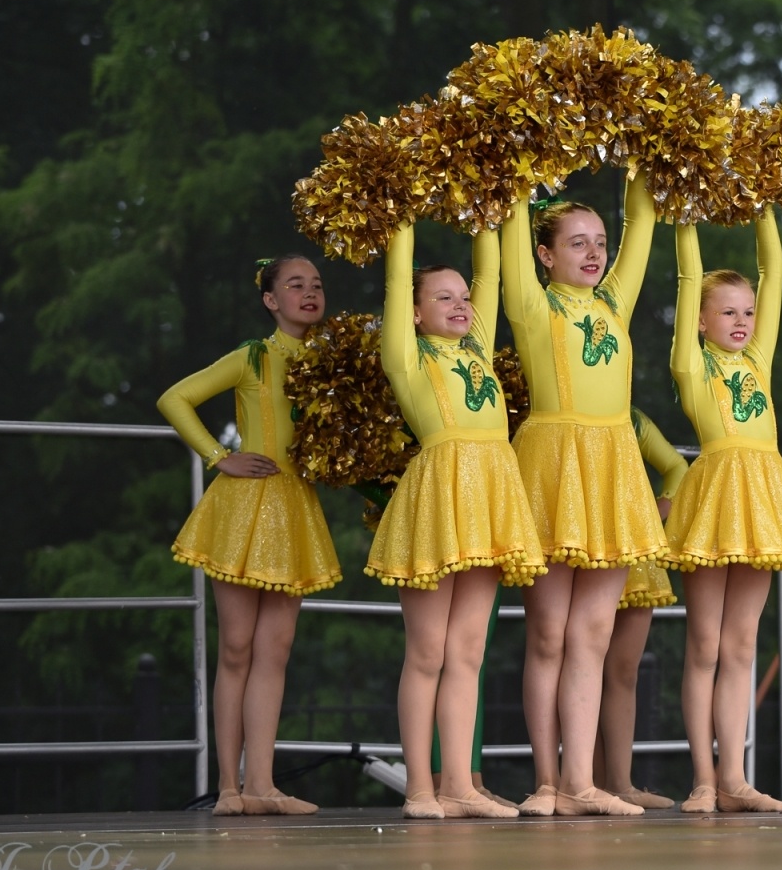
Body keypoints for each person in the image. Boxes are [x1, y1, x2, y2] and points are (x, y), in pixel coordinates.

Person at [366, 222, 545, 819]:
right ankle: (419, 787)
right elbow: (397, 277)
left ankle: (459, 786)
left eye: (462, 296)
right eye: (443, 297)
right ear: (413, 314)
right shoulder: (408, 360)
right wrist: (402, 216)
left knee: (468, 651)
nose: (461, 304)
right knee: (428, 652)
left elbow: (490, 276)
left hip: (491, 496)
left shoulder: (478, 350)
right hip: (440, 499)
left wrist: (492, 211)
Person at [499, 179, 666, 817]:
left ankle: (581, 781)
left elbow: (643, 226)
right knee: (548, 634)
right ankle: (547, 783)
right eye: (577, 243)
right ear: (545, 255)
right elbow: (512, 231)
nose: (595, 254)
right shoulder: (532, 304)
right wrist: (515, 172)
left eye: (600, 243)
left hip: (613, 464)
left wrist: (642, 160)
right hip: (550, 463)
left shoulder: (614, 304)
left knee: (593, 635)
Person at [158, 255, 340, 816]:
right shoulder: (254, 356)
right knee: (236, 645)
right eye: (294, 285)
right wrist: (220, 457)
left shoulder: (336, 363)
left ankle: (262, 785)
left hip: (295, 508)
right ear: (270, 300)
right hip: (244, 507)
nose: (308, 293)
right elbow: (174, 399)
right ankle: (229, 789)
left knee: (275, 650)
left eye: (316, 284)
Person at [665, 212, 782, 814]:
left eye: (747, 312)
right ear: (699, 322)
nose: (743, 321)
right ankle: (702, 778)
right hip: (715, 492)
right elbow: (687, 273)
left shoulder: (761, 360)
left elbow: (774, 273)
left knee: (743, 644)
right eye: (727, 312)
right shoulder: (691, 364)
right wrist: (686, 214)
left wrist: (768, 208)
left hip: (763, 493)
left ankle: (736, 776)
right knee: (704, 643)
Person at [594, 407, 688, 809]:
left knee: (622, 671)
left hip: (633, 551)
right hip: (578, 544)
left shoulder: (634, 420)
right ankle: (578, 782)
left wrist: (651, 515)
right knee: (573, 663)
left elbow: (678, 468)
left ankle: (619, 783)